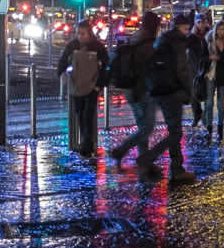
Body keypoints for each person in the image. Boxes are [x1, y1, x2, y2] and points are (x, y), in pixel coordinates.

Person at [135, 14, 196, 182]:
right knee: (175, 133)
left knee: (171, 131)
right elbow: (182, 69)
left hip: (159, 90)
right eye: (185, 28)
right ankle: (154, 160)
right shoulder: (178, 42)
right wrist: (188, 90)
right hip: (173, 91)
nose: (186, 31)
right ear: (182, 28)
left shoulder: (161, 40)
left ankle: (175, 167)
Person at [107, 14, 162, 165]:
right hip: (143, 90)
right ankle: (121, 150)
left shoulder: (136, 38)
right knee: (147, 128)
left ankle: (143, 157)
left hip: (130, 89)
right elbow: (151, 70)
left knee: (141, 125)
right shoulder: (149, 44)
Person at [59, 28, 108, 156]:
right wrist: (63, 72)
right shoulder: (72, 45)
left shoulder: (97, 47)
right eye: (78, 33)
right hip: (76, 86)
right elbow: (63, 60)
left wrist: (99, 85)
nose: (79, 36)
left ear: (88, 33)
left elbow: (106, 65)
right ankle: (87, 144)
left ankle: (87, 145)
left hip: (92, 87)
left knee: (87, 116)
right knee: (81, 115)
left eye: (82, 33)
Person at [189, 19, 212, 129]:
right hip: (194, 68)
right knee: (193, 95)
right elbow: (185, 45)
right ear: (195, 24)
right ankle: (196, 115)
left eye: (203, 22)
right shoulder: (192, 35)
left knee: (208, 94)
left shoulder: (210, 34)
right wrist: (192, 35)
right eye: (199, 22)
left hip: (206, 68)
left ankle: (204, 116)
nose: (201, 24)